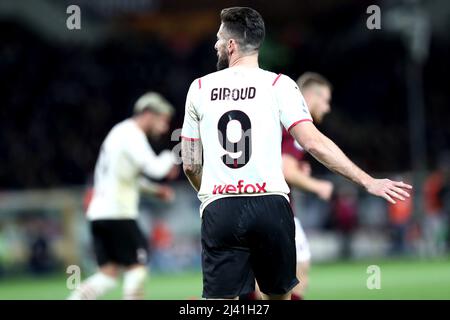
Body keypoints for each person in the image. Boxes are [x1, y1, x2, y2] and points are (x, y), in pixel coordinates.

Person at [181, 7, 412, 300]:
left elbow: (190, 163)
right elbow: (313, 142)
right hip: (271, 206)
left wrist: (212, 195)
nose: (215, 43)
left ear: (231, 45)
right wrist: (368, 181)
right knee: (280, 296)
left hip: (220, 209)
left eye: (218, 38)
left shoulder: (199, 88)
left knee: (219, 303)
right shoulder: (280, 84)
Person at [68, 92, 179, 300]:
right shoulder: (132, 135)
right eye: (162, 120)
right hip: (118, 213)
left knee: (108, 275)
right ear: (148, 113)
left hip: (99, 214)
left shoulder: (119, 133)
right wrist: (171, 156)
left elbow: (129, 177)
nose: (164, 127)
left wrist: (155, 191)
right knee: (138, 267)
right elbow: (156, 169)